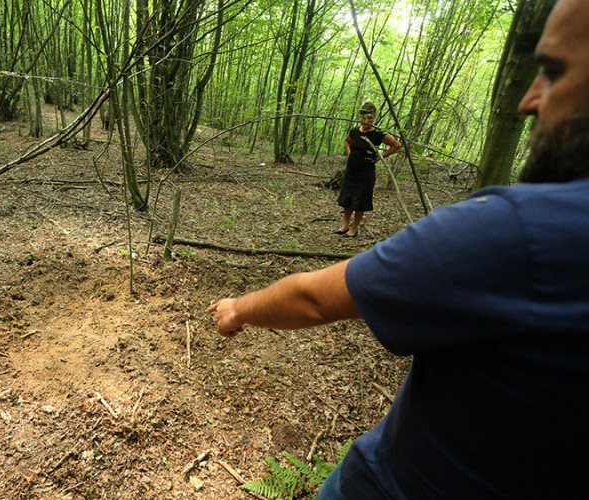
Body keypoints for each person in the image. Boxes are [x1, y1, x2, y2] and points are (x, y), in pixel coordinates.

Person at [207, 0, 589, 498]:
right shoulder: (355, 135)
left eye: (554, 73)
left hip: (392, 485)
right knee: (347, 202)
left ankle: (352, 229)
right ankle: (345, 227)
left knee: (359, 205)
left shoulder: (511, 230)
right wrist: (354, 152)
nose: (528, 100)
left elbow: (313, 298)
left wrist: (238, 307)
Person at [334, 102, 401, 238]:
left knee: (360, 201)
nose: (366, 120)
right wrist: (350, 153)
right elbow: (347, 141)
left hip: (366, 173)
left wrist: (380, 158)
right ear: (360, 116)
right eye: (364, 117)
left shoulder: (378, 133)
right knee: (347, 199)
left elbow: (396, 145)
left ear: (374, 117)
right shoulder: (354, 131)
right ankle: (345, 225)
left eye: (370, 118)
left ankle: (354, 228)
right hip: (351, 171)